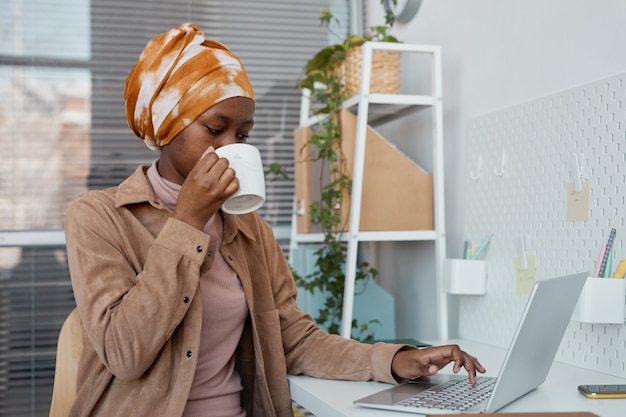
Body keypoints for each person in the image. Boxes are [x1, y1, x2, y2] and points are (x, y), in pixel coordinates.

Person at [64, 23, 485, 417]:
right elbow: (124, 353)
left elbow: (294, 340)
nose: (231, 146)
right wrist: (188, 221)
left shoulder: (249, 230)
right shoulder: (98, 217)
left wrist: (395, 359)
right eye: (215, 129)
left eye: (242, 135)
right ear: (166, 126)